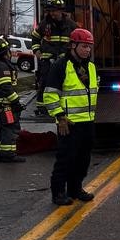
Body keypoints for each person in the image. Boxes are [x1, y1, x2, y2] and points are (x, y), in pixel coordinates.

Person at [44, 28, 98, 205]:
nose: (87, 50)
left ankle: (75, 189)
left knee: (83, 159)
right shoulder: (60, 66)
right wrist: (59, 117)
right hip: (69, 123)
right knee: (66, 159)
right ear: (73, 46)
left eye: (89, 47)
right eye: (84, 46)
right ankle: (58, 192)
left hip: (87, 121)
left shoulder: (90, 66)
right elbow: (50, 94)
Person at [31, 0, 77, 115]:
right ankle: (42, 108)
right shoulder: (44, 24)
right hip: (47, 60)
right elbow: (35, 38)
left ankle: (62, 106)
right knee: (45, 83)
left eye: (54, 11)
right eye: (49, 11)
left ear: (61, 10)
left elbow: (78, 40)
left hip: (65, 61)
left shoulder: (71, 25)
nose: (51, 13)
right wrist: (37, 52)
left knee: (65, 84)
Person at [0, 36, 25, 162]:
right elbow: (6, 87)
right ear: (5, 52)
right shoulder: (2, 67)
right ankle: (8, 154)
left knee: (1, 129)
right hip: (6, 104)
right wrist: (16, 101)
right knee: (10, 127)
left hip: (1, 104)